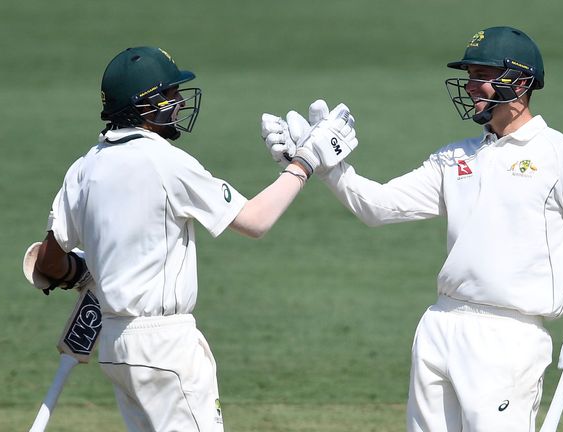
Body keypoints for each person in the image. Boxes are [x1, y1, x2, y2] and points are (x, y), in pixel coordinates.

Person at [263, 26, 563, 431]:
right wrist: (321, 165)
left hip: (509, 339)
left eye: (481, 75)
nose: (470, 87)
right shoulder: (455, 157)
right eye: (469, 76)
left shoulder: (562, 155)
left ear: (520, 82)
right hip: (440, 325)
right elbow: (378, 207)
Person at [28, 46, 356, 432]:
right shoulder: (166, 162)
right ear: (143, 105)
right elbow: (255, 220)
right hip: (165, 347)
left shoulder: (84, 167)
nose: (180, 102)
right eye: (169, 95)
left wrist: (82, 274)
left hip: (116, 347)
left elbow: (48, 261)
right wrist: (304, 163)